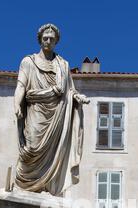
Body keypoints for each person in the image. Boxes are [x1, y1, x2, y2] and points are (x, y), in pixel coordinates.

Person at [14, 23, 89, 195]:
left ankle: (46, 186)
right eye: (45, 38)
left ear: (56, 42)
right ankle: (26, 185)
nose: (48, 41)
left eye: (52, 39)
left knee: (54, 153)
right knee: (31, 147)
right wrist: (16, 103)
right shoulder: (28, 62)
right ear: (40, 40)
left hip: (57, 114)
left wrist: (78, 97)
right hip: (36, 111)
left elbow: (70, 89)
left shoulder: (63, 65)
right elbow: (21, 86)